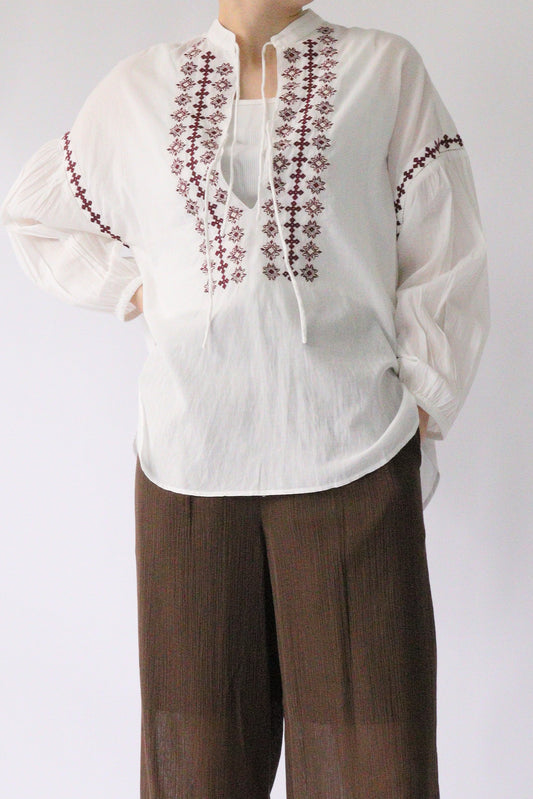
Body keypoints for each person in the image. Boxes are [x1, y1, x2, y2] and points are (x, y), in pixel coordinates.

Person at [0, 1, 490, 796]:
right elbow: (35, 215)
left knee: (376, 760)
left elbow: (447, 249)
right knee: (195, 762)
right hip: (189, 469)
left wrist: (420, 405)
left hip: (353, 460)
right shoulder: (139, 88)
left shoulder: (383, 70)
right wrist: (142, 290)